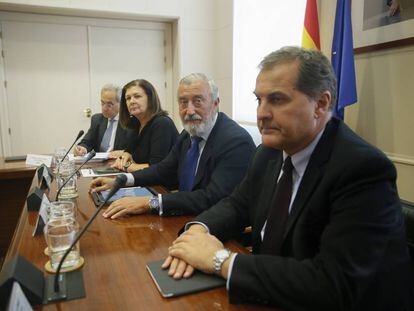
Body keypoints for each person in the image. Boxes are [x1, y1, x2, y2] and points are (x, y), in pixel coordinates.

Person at [164, 47, 414, 310]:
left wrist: (220, 261)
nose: (262, 113)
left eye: (277, 100)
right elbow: (236, 205)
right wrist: (198, 231)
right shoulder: (268, 152)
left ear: (321, 104)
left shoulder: (363, 169)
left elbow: (333, 283)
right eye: (259, 100)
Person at [90, 73, 256, 219]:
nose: (189, 110)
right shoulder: (188, 134)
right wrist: (121, 180)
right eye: (183, 102)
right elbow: (163, 169)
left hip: (213, 228)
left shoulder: (235, 141)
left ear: (215, 103)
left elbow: (211, 197)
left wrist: (151, 202)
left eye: (198, 101)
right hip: (184, 215)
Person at [111, 79, 178, 172]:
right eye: (128, 98)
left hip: (162, 185)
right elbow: (129, 150)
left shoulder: (162, 124)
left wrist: (126, 166)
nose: (132, 101)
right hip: (142, 180)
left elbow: (156, 167)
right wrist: (125, 155)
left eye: (137, 96)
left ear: (150, 99)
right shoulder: (136, 123)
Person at [74, 84, 131, 158]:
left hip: (118, 163)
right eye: (102, 103)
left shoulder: (129, 121)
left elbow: (134, 149)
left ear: (120, 103)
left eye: (109, 104)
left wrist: (124, 153)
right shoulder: (97, 119)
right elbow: (87, 142)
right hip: (98, 164)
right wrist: (82, 148)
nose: (104, 108)